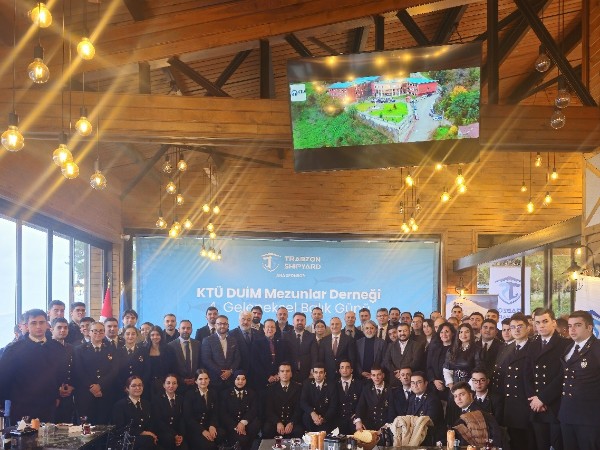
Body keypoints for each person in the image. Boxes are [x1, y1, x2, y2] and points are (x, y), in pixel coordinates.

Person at [0, 309, 64, 423]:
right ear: (27, 326)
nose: (38, 326)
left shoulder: (57, 348)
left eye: (41, 322)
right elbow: (4, 378)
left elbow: (60, 375)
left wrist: (56, 396)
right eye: (34, 323)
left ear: (47, 324)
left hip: (48, 405)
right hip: (22, 406)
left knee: (48, 434)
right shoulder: (14, 349)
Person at [559, 310, 600, 450]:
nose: (572, 329)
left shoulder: (597, 348)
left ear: (589, 327)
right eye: (570, 326)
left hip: (589, 417)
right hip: (567, 414)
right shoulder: (569, 348)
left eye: (577, 325)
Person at [528, 308, 569, 450]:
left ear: (554, 323)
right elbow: (526, 374)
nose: (541, 325)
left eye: (545, 321)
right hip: (536, 406)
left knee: (557, 445)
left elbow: (562, 376)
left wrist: (543, 399)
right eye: (538, 322)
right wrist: (534, 399)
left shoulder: (565, 344)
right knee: (541, 445)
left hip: (555, 405)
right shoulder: (532, 345)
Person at [496, 313, 534, 450]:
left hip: (526, 405)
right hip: (509, 406)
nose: (516, 330)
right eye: (513, 327)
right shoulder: (507, 348)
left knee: (526, 443)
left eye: (520, 326)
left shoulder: (534, 347)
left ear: (528, 328)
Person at [73, 321, 118, 424]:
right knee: (86, 425)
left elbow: (114, 370)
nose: (98, 333)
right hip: (86, 393)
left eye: (101, 331)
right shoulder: (79, 350)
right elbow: (79, 370)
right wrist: (92, 387)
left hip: (105, 392)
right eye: (95, 331)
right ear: (89, 332)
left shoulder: (111, 348)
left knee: (103, 424)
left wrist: (100, 385)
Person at [443, 322, 480, 426]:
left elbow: (478, 370)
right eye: (461, 332)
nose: (463, 335)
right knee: (452, 418)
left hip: (469, 386)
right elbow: (447, 369)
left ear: (471, 334)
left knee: (467, 418)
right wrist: (451, 386)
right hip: (454, 386)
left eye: (467, 332)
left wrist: (468, 388)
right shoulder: (452, 350)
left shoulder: (477, 350)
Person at [450, 382, 505, 447]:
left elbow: (495, 438)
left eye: (461, 395)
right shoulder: (455, 413)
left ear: (470, 395)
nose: (458, 399)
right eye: (455, 396)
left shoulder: (481, 413)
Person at [113, 376, 159, 450]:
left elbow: (151, 423)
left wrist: (152, 434)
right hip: (127, 440)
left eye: (140, 385)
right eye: (134, 386)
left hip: (146, 439)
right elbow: (120, 429)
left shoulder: (147, 404)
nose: (138, 388)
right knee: (148, 440)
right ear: (127, 388)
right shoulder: (120, 405)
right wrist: (143, 433)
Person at [219, 370, 260, 450]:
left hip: (246, 424)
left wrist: (243, 423)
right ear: (234, 380)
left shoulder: (252, 393)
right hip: (232, 426)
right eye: (238, 379)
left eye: (243, 379)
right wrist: (236, 426)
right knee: (243, 440)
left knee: (256, 424)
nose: (240, 381)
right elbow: (223, 414)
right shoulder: (225, 394)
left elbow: (254, 410)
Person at [184, 369, 224, 450]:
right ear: (196, 381)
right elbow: (188, 418)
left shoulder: (213, 393)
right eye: (200, 379)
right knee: (209, 446)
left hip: (208, 425)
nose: (203, 381)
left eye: (206, 378)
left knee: (222, 434)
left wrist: (212, 425)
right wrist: (202, 431)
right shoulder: (189, 394)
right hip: (195, 428)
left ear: (209, 380)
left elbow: (215, 413)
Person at [263, 363, 304, 438]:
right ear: (278, 374)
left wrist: (292, 422)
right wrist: (278, 422)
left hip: (292, 421)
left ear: (291, 374)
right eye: (282, 371)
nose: (285, 373)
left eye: (287, 371)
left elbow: (299, 409)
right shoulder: (271, 388)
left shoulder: (298, 388)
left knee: (299, 431)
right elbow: (269, 410)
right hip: (276, 421)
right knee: (267, 429)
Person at [201, 315, 241, 391]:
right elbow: (206, 359)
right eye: (219, 324)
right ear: (215, 325)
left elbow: (237, 358)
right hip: (214, 380)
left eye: (225, 324)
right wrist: (221, 373)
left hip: (230, 380)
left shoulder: (233, 340)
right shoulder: (207, 340)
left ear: (228, 326)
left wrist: (230, 371)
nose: (222, 326)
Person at [406, 371, 444, 445]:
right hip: (416, 435)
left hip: (430, 438)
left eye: (419, 382)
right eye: (413, 383)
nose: (415, 385)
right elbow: (408, 417)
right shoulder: (412, 398)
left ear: (426, 383)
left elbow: (428, 421)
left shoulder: (432, 399)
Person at [50, 317, 76, 423]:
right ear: (52, 329)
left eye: (65, 328)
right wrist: (56, 391)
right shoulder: (46, 347)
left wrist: (72, 386)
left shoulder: (72, 348)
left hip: (68, 394)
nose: (63, 330)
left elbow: (76, 369)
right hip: (51, 395)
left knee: (66, 426)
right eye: (59, 327)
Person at [152, 374, 188, 450]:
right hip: (162, 432)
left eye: (174, 383)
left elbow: (182, 419)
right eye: (168, 383)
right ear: (163, 385)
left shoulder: (181, 399)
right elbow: (158, 421)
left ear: (177, 385)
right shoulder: (157, 399)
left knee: (184, 447)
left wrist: (181, 435)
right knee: (169, 440)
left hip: (177, 431)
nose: (171, 386)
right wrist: (174, 435)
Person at [300, 362, 338, 432]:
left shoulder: (331, 385)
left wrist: (324, 419)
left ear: (325, 374)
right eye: (316, 372)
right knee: (306, 417)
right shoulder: (307, 384)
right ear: (313, 373)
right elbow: (303, 402)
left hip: (326, 417)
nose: (318, 375)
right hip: (311, 417)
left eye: (321, 372)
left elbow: (333, 406)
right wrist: (312, 413)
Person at [143, 325, 176, 400]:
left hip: (165, 383)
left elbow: (173, 367)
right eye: (152, 335)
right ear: (149, 336)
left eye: (157, 334)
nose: (155, 337)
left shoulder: (169, 349)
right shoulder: (144, 349)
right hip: (148, 384)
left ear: (161, 336)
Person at [354, 365, 392, 431]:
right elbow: (360, 406)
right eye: (373, 375)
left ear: (383, 375)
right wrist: (358, 421)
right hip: (369, 426)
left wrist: (386, 426)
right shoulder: (367, 389)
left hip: (385, 426)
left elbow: (392, 411)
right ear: (371, 376)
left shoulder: (390, 389)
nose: (376, 378)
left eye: (379, 375)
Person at [282, 312, 317, 382]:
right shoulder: (285, 335)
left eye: (302, 320)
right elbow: (283, 354)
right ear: (293, 322)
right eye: (297, 320)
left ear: (305, 322)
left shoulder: (311, 336)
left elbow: (314, 355)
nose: (300, 322)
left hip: (307, 373)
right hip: (289, 372)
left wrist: (313, 370)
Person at [168, 320, 201, 394]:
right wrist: (182, 380)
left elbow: (200, 363)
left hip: (195, 384)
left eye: (188, 328)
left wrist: (196, 378)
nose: (186, 330)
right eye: (183, 328)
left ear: (191, 330)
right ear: (178, 330)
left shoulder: (198, 344)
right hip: (178, 386)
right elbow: (170, 367)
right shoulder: (170, 346)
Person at [318, 317, 356, 381]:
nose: (334, 326)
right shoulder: (324, 340)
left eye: (337, 324)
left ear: (341, 325)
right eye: (332, 324)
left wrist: (350, 373)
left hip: (344, 375)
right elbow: (321, 359)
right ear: (330, 326)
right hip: (328, 375)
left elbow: (352, 358)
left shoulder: (349, 340)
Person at [426, 322, 454, 402]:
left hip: (451, 387)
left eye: (446, 331)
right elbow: (429, 367)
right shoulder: (434, 348)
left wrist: (445, 383)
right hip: (434, 386)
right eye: (441, 332)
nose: (444, 334)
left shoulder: (456, 349)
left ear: (452, 333)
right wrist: (434, 380)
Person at [230, 311, 260, 384]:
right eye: (243, 319)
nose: (245, 322)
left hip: (255, 374)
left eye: (249, 320)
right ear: (239, 320)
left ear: (252, 321)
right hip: (238, 374)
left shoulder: (258, 333)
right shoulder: (231, 334)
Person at [117, 325, 146, 397]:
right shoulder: (118, 351)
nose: (130, 336)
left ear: (136, 336)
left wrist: (140, 385)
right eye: (127, 334)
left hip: (139, 388)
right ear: (123, 336)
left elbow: (147, 369)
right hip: (122, 388)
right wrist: (124, 387)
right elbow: (116, 371)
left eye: (133, 334)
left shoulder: (143, 350)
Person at [336, 359, 362, 434]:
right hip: (338, 420)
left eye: (347, 367)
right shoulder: (334, 384)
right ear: (339, 370)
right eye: (342, 367)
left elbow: (361, 404)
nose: (344, 370)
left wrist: (357, 417)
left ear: (351, 370)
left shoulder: (359, 384)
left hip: (354, 421)